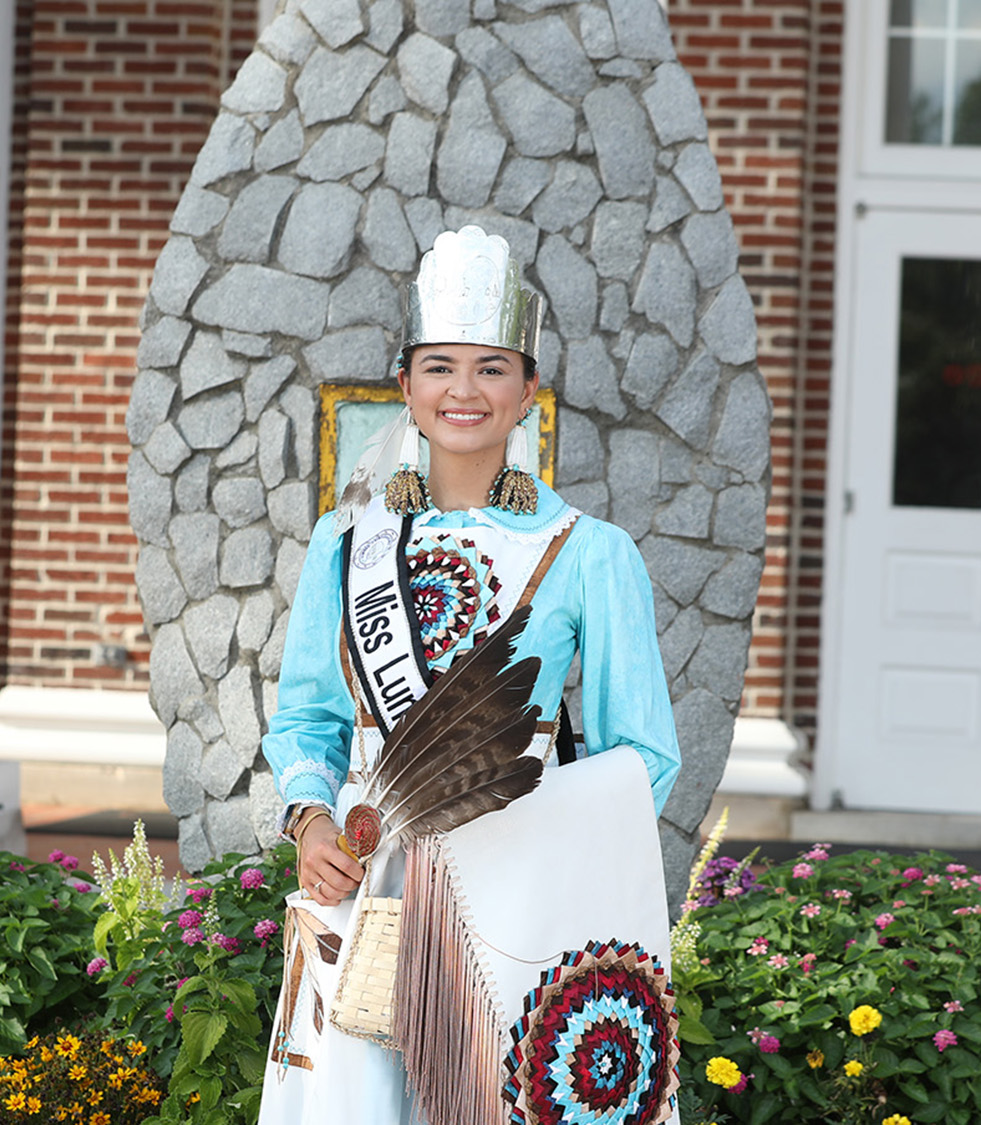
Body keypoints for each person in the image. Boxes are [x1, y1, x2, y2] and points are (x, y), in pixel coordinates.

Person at [256, 226, 684, 1125]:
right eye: (441, 366)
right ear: (406, 386)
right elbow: (307, 720)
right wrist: (312, 820)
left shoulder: (589, 554)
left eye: (492, 368)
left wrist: (524, 839)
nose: (465, 390)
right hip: (371, 889)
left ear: (528, 391)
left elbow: (643, 755)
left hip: (524, 902)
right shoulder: (345, 545)